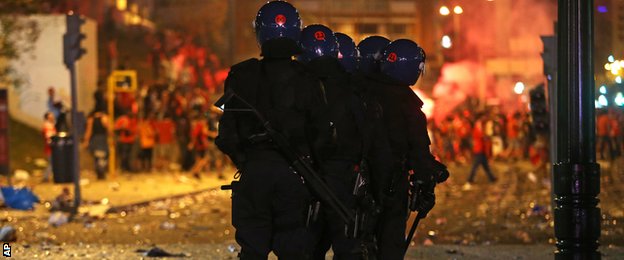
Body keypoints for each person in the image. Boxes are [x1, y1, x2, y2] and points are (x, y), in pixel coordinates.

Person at [215, 1, 325, 258]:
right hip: (296, 175)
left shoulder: (240, 75)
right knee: (295, 249)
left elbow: (226, 136)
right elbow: (322, 134)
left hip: (255, 174)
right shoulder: (308, 78)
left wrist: (249, 162)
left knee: (252, 249)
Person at [298, 26, 385, 259]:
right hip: (345, 174)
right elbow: (367, 134)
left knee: (308, 244)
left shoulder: (300, 84)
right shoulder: (353, 87)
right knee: (347, 243)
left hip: (308, 172)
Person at [354, 39, 444, 260]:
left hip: (356, 185)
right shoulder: (408, 107)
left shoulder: (359, 92)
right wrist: (429, 177)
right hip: (392, 187)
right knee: (389, 246)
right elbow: (418, 152)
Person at [467, 113, 497, 184]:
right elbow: (481, 136)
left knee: (485, 166)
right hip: (479, 148)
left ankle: (491, 178)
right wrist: (488, 138)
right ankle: (470, 179)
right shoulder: (478, 125)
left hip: (481, 148)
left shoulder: (480, 125)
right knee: (476, 165)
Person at [83, 107, 109, 180]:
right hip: (102, 139)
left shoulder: (91, 119)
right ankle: (101, 172)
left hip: (95, 139)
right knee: (102, 156)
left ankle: (99, 173)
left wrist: (86, 141)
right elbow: (109, 129)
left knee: (97, 157)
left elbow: (89, 131)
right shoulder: (104, 118)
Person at [42, 112, 57, 182]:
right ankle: (46, 176)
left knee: (53, 163)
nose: (53, 118)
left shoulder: (51, 126)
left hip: (52, 148)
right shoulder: (47, 127)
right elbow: (49, 138)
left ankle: (49, 176)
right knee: (52, 163)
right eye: (51, 117)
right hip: (50, 149)